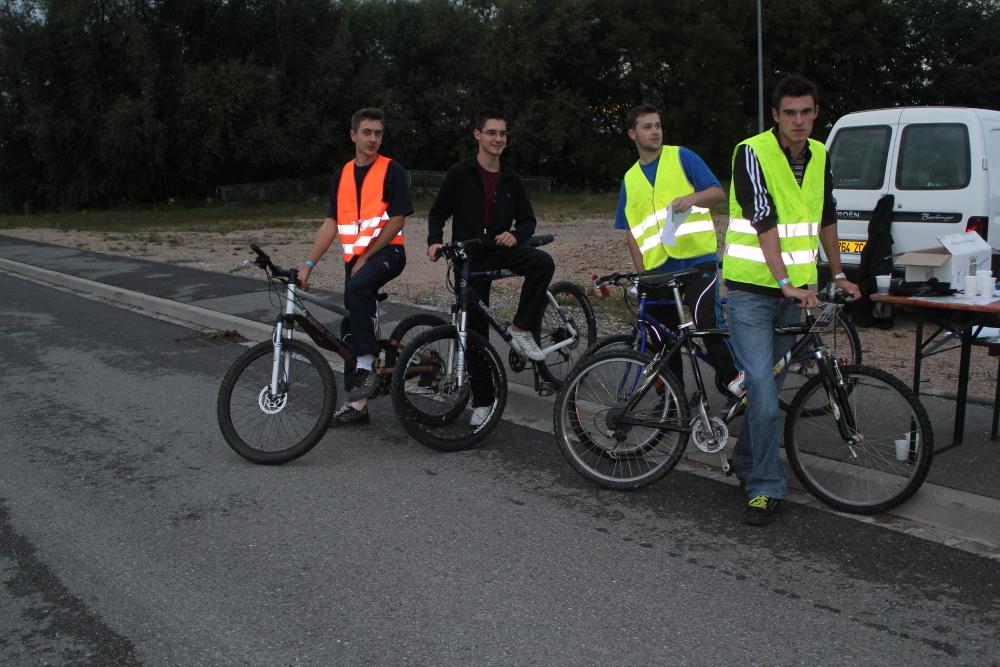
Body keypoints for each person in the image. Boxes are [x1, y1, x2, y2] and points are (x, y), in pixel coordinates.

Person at [723, 76, 861, 525]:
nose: (799, 121)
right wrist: (784, 282)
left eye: (807, 112)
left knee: (768, 391)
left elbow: (825, 216)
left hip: (795, 294)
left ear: (816, 112)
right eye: (790, 113)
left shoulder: (820, 154)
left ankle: (745, 464)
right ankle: (764, 487)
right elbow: (763, 219)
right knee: (762, 390)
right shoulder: (752, 151)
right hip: (751, 292)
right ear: (776, 116)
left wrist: (839, 274)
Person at [427, 110, 555, 426]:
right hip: (468, 259)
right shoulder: (460, 173)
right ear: (477, 135)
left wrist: (517, 234)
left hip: (500, 251)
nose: (498, 139)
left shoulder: (511, 179)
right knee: (472, 331)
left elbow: (527, 221)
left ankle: (522, 327)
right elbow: (438, 212)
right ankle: (483, 402)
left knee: (542, 262)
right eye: (492, 133)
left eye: (502, 134)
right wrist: (434, 241)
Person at [615, 104, 742, 396]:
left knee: (707, 323)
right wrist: (642, 275)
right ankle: (673, 400)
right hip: (658, 269)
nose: (655, 131)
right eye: (647, 126)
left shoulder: (682, 156)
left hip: (697, 260)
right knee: (662, 338)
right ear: (632, 133)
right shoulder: (630, 179)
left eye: (658, 125)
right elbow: (632, 233)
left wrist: (693, 198)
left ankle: (735, 382)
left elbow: (717, 194)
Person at [300, 107, 412, 426]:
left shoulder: (392, 169)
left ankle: (366, 367)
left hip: (387, 253)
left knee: (359, 288)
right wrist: (308, 264)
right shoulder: (342, 175)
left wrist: (366, 256)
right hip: (356, 261)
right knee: (351, 325)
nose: (373, 138)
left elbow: (397, 219)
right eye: (366, 132)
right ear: (353, 135)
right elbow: (330, 224)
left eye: (378, 133)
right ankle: (358, 404)